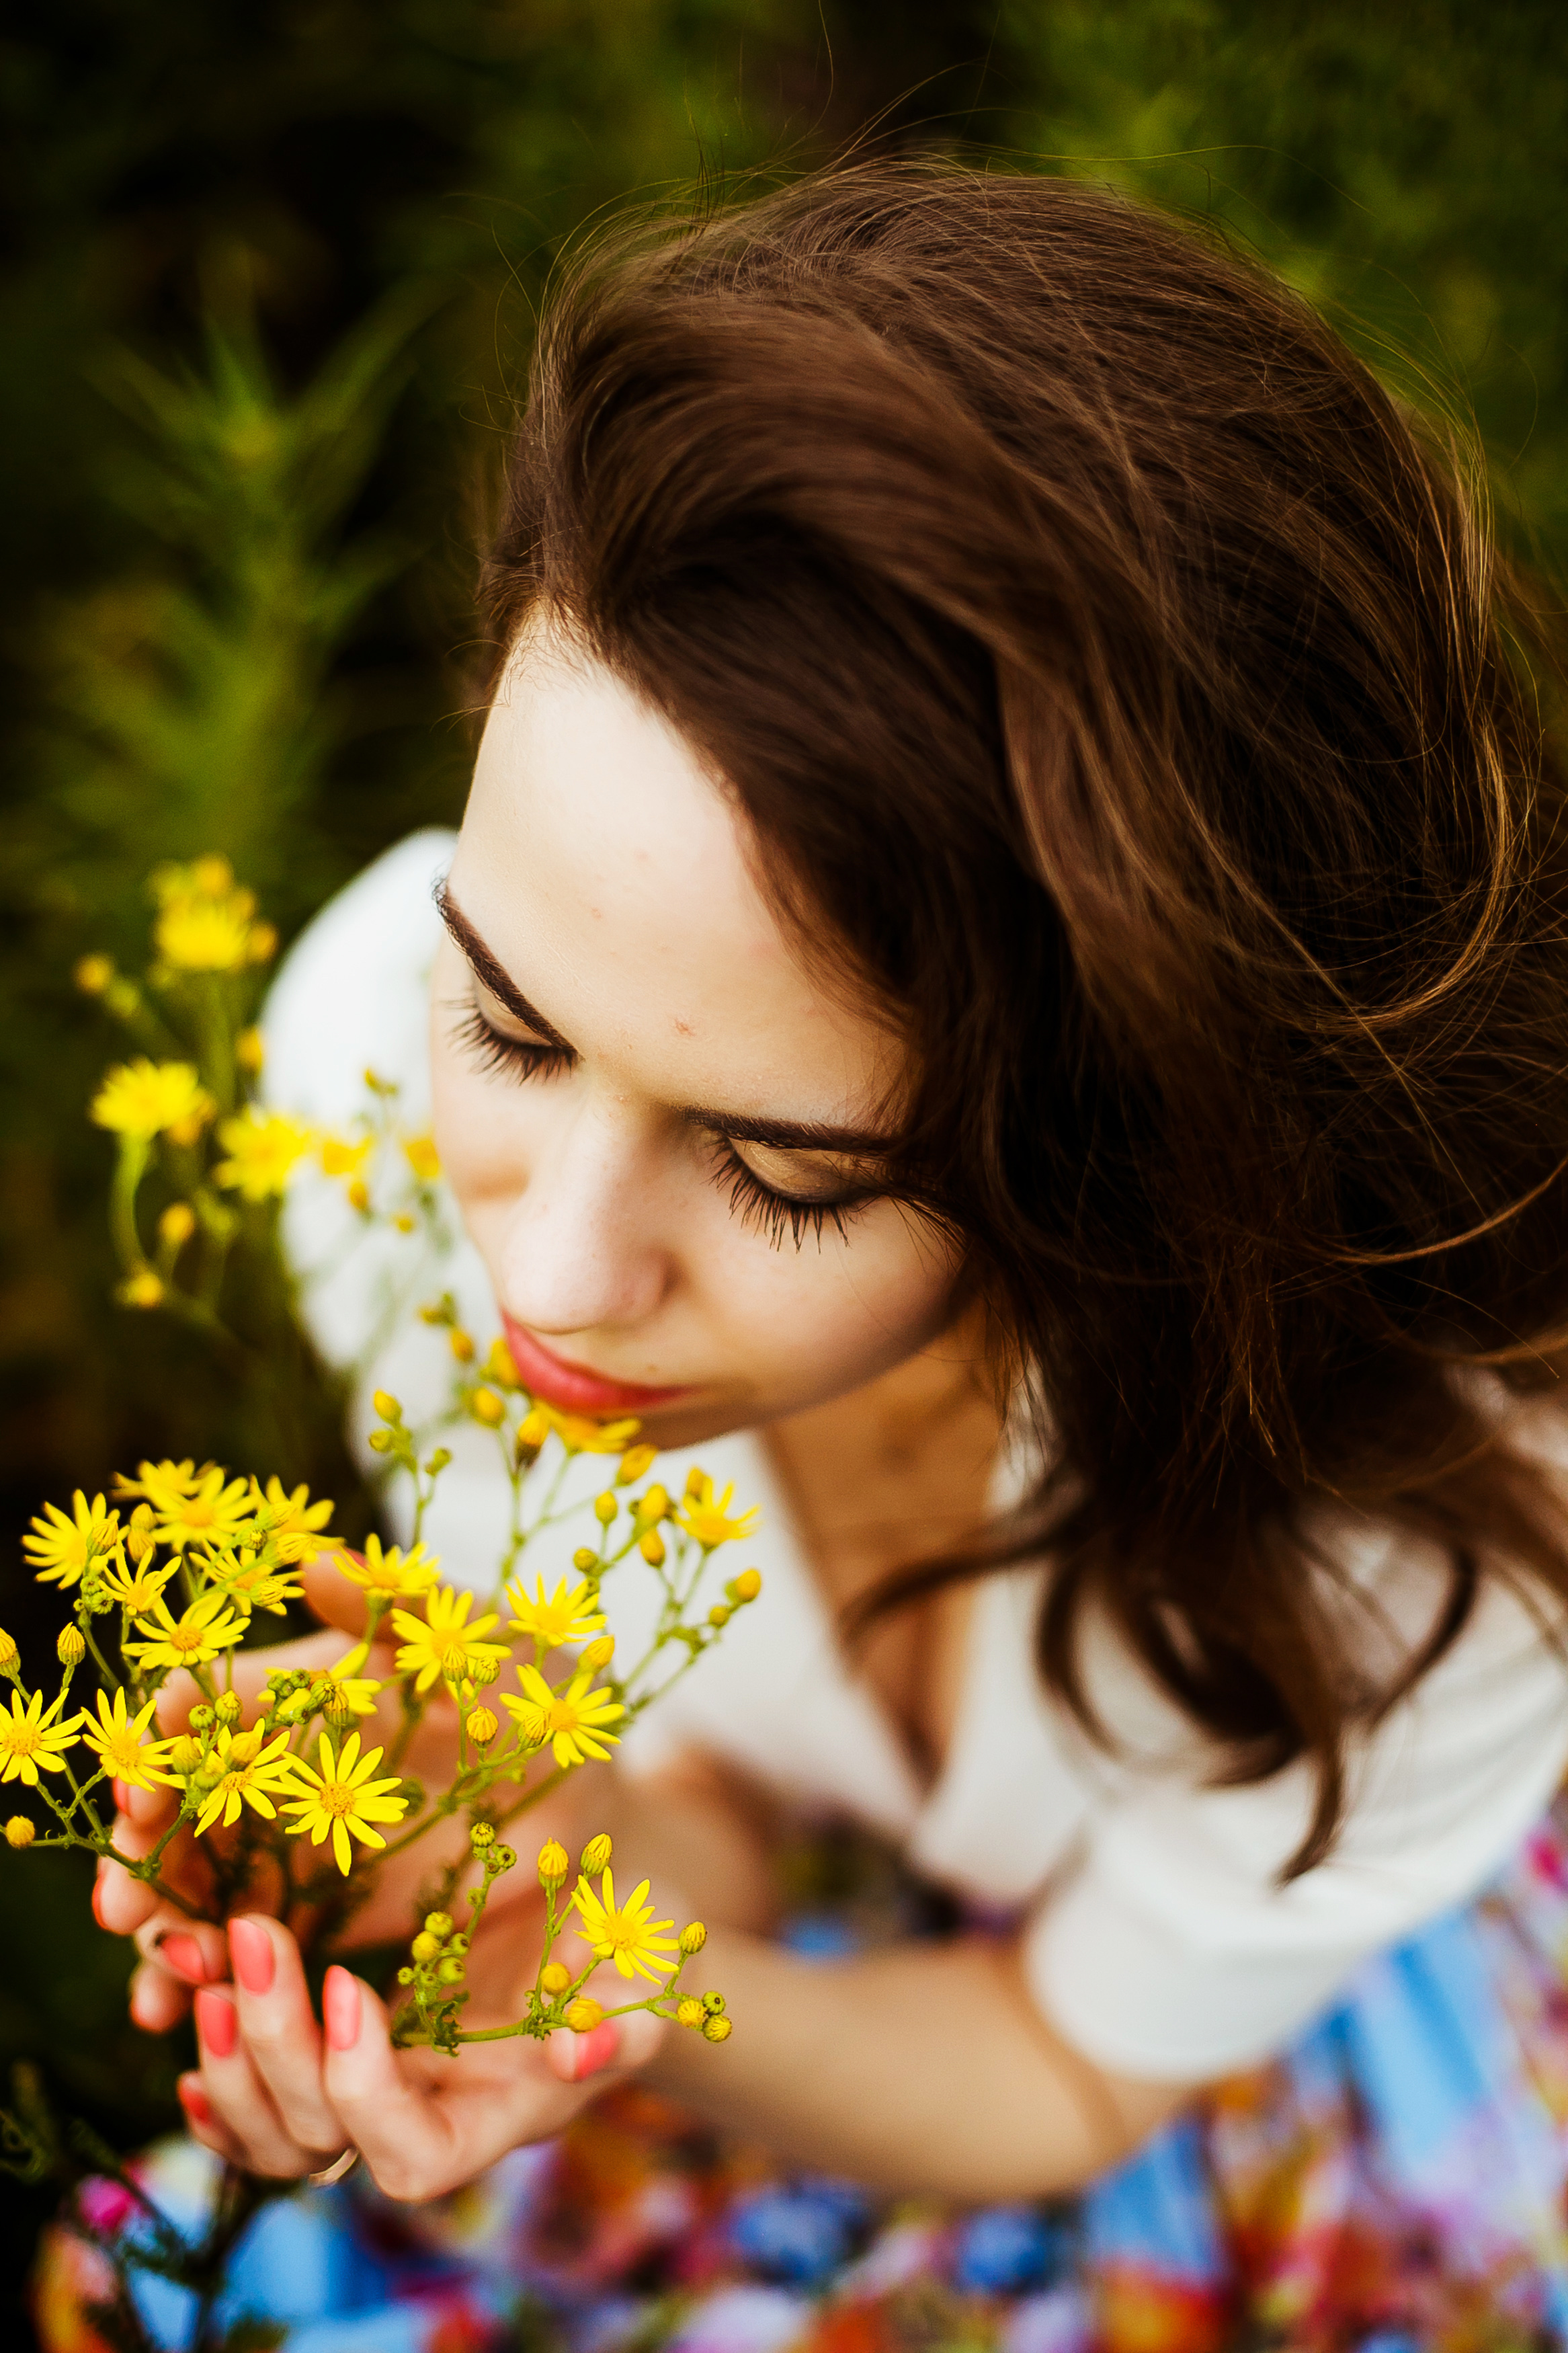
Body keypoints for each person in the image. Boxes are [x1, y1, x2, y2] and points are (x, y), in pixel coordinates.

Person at [77, 159, 1568, 2350]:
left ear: (1151, 1164)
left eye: (787, 1167)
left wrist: (654, 1989)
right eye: (507, 1018)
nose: (556, 1278)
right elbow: (704, 1788)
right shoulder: (355, 1082)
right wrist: (547, 1849)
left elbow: (1068, 2063)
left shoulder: (1438, 1528)